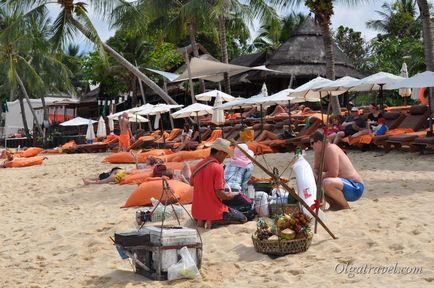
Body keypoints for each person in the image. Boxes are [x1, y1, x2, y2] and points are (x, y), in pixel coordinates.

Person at [190, 138, 247, 229]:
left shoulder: (198, 165)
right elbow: (220, 194)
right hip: (213, 211)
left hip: (197, 212)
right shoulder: (217, 167)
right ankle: (212, 221)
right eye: (225, 155)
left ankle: (204, 220)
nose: (224, 158)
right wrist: (232, 195)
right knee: (243, 218)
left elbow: (191, 183)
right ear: (220, 152)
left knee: (206, 211)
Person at [310, 130, 364, 210]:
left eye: (312, 143)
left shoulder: (331, 149)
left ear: (319, 142)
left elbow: (333, 173)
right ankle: (334, 205)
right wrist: (314, 176)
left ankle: (345, 207)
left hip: (355, 187)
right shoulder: (318, 152)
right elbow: (316, 169)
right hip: (341, 185)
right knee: (315, 179)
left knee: (326, 182)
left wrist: (319, 179)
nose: (311, 146)